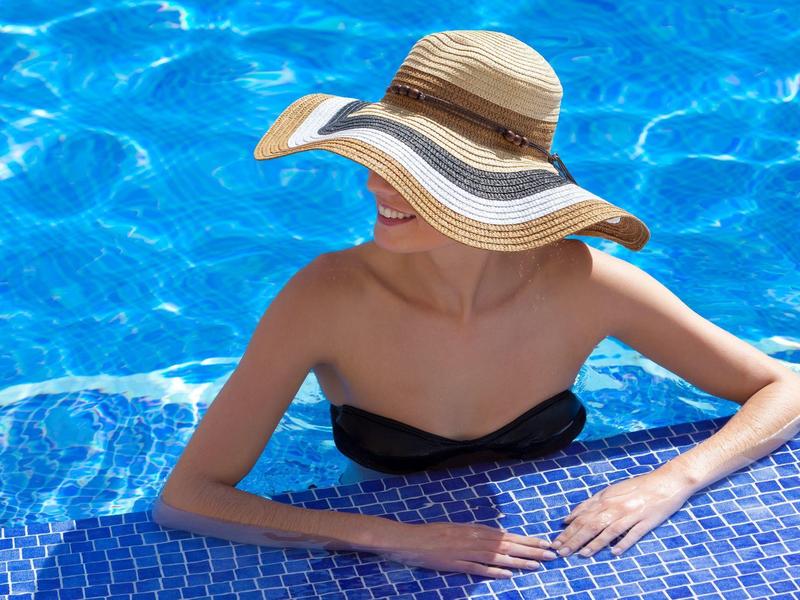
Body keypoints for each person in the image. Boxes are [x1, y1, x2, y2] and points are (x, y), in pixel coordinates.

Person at [152, 30, 800, 579]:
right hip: (380, 550)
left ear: (491, 187)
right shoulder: (326, 299)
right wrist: (395, 537)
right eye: (382, 155)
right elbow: (187, 499)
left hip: (562, 552)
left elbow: (785, 388)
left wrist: (668, 483)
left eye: (413, 163)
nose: (375, 182)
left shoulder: (586, 284)